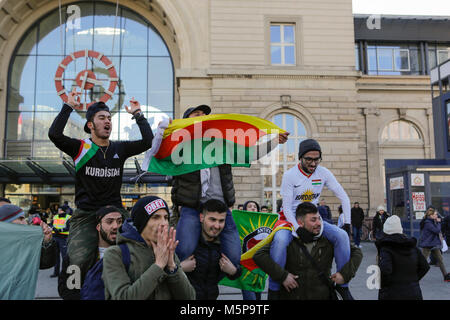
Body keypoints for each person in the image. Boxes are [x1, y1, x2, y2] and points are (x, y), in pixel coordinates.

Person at [48, 89, 154, 284]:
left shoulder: (119, 149)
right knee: (77, 259)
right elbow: (54, 134)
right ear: (90, 125)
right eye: (102, 118)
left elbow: (148, 141)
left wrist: (138, 115)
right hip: (86, 215)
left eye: (109, 118)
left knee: (138, 254)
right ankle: (77, 295)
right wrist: (68, 106)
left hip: (115, 212)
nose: (107, 122)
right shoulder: (80, 148)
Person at [172, 105, 289, 271]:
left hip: (220, 206)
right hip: (192, 207)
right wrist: (178, 203)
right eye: (197, 114)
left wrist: (275, 141)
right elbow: (170, 172)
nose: (203, 117)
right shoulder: (179, 146)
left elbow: (251, 153)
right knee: (184, 252)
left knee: (234, 255)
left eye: (205, 114)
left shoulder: (221, 145)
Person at [269, 138, 353, 300]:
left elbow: (344, 197)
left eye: (317, 159)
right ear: (300, 158)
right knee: (279, 242)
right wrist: (298, 228)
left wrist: (347, 223)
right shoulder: (289, 175)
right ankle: (273, 288)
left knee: (342, 236)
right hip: (290, 218)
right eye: (309, 159)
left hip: (313, 217)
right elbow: (286, 208)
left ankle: (343, 286)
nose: (313, 163)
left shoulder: (324, 173)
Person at [254, 202, 362, 300]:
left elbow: (357, 253)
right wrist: (283, 276)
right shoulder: (287, 238)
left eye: (319, 218)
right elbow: (259, 255)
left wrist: (344, 274)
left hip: (323, 295)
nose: (319, 223)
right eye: (313, 220)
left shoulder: (328, 238)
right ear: (300, 223)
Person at [102, 196, 195, 299]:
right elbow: (124, 297)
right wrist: (158, 266)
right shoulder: (115, 254)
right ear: (141, 222)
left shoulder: (168, 251)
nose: (164, 223)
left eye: (166, 218)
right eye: (156, 217)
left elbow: (189, 297)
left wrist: (172, 267)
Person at [58, 205, 124, 300]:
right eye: (109, 222)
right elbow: (69, 290)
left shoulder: (128, 252)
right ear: (98, 226)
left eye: (119, 221)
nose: (116, 226)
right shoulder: (79, 255)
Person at [183, 199, 241, 300]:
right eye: (212, 220)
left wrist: (234, 271)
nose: (217, 226)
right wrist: (180, 268)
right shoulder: (187, 243)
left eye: (221, 221)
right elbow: (163, 272)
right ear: (201, 217)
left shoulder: (225, 245)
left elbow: (238, 269)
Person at [0, 204, 56, 299]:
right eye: (20, 219)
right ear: (6, 223)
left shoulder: (26, 241)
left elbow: (45, 264)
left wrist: (47, 242)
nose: (25, 222)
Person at [375, 215, 429, 300]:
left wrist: (384, 286)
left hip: (392, 293)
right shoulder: (412, 247)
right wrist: (413, 280)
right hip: (414, 292)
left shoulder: (386, 248)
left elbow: (385, 271)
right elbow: (425, 266)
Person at [418, 207, 450, 282]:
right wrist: (438, 223)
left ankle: (445, 276)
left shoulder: (433, 221)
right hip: (427, 245)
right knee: (423, 261)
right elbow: (437, 230)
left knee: (440, 260)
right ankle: (415, 276)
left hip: (434, 244)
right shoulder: (427, 223)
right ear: (431, 215)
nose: (437, 216)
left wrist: (438, 222)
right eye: (435, 215)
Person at [241, 200, 262, 300]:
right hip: (245, 268)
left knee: (258, 297)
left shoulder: (262, 223)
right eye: (250, 206)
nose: (253, 208)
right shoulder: (240, 224)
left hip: (259, 268)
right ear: (245, 209)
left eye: (255, 206)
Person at [50, 207, 72, 278]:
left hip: (63, 238)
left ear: (63, 211)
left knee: (64, 256)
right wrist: (54, 228)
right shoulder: (55, 216)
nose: (58, 211)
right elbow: (51, 224)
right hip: (55, 237)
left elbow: (69, 227)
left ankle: (65, 273)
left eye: (59, 210)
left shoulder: (69, 217)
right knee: (56, 256)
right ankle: (56, 273)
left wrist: (60, 230)